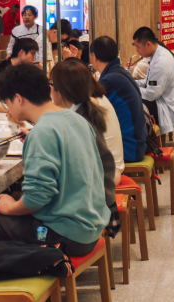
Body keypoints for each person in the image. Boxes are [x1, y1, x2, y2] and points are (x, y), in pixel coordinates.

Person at [0, 63, 109, 279]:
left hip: (66, 235)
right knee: (13, 197)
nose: (8, 108)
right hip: (92, 225)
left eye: (7, 102)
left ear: (18, 98)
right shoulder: (77, 119)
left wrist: (11, 208)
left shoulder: (42, 131)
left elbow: (37, 197)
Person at [50, 59, 118, 224]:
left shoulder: (78, 122)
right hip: (99, 195)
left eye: (51, 84)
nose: (49, 89)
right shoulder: (85, 110)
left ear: (61, 90)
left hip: (89, 208)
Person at [90, 36, 147, 164]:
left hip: (129, 149)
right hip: (137, 144)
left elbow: (92, 110)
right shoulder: (120, 73)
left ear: (94, 57)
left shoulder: (109, 80)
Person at [132, 27, 174, 134]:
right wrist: (133, 83)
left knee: (134, 102)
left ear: (148, 44)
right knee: (136, 101)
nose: (137, 51)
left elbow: (151, 95)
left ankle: (143, 141)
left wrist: (132, 89)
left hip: (173, 109)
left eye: (138, 47)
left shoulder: (161, 62)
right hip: (171, 103)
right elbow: (149, 82)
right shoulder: (157, 54)